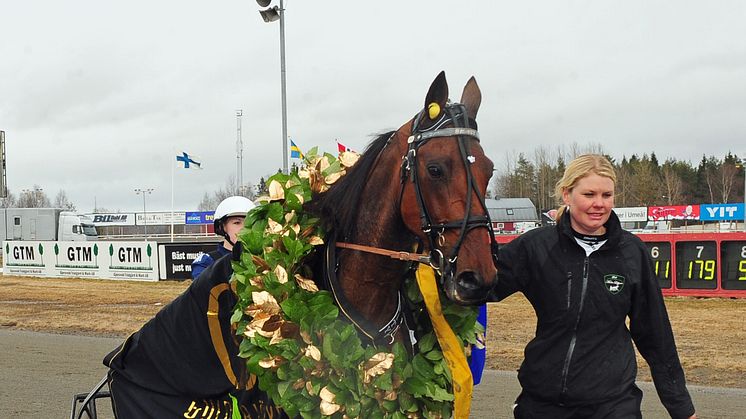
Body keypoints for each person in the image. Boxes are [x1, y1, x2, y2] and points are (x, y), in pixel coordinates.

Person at [490, 154, 696, 419]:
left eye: (607, 195)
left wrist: (681, 408)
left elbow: (655, 334)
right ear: (567, 195)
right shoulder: (535, 246)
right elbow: (481, 286)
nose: (599, 204)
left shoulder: (632, 252)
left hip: (613, 405)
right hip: (542, 403)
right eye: (589, 194)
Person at [192, 195, 255, 280]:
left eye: (249, 223)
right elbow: (202, 289)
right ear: (222, 227)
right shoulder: (207, 262)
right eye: (237, 223)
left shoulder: (261, 260)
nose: (244, 228)